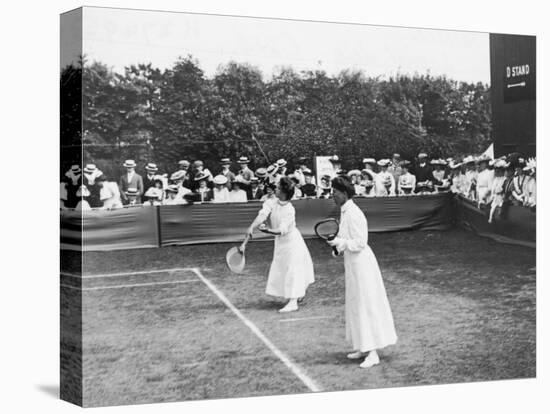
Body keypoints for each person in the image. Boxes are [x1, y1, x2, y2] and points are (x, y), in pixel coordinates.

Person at [326, 176, 397, 368]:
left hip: (363, 265)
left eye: (335, 192)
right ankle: (362, 346)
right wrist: (337, 247)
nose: (332, 195)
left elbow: (360, 242)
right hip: (352, 264)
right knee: (356, 304)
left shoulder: (355, 213)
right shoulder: (344, 211)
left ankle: (373, 353)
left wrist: (341, 243)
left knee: (367, 305)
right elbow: (344, 238)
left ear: (344, 193)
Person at [246, 177, 315, 313]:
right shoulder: (271, 202)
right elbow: (262, 215)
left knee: (293, 269)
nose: (275, 189)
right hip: (281, 243)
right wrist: (251, 227)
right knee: (283, 268)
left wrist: (267, 230)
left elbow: (281, 230)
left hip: (292, 242)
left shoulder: (290, 210)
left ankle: (293, 301)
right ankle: (298, 293)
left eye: (277, 187)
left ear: (283, 192)